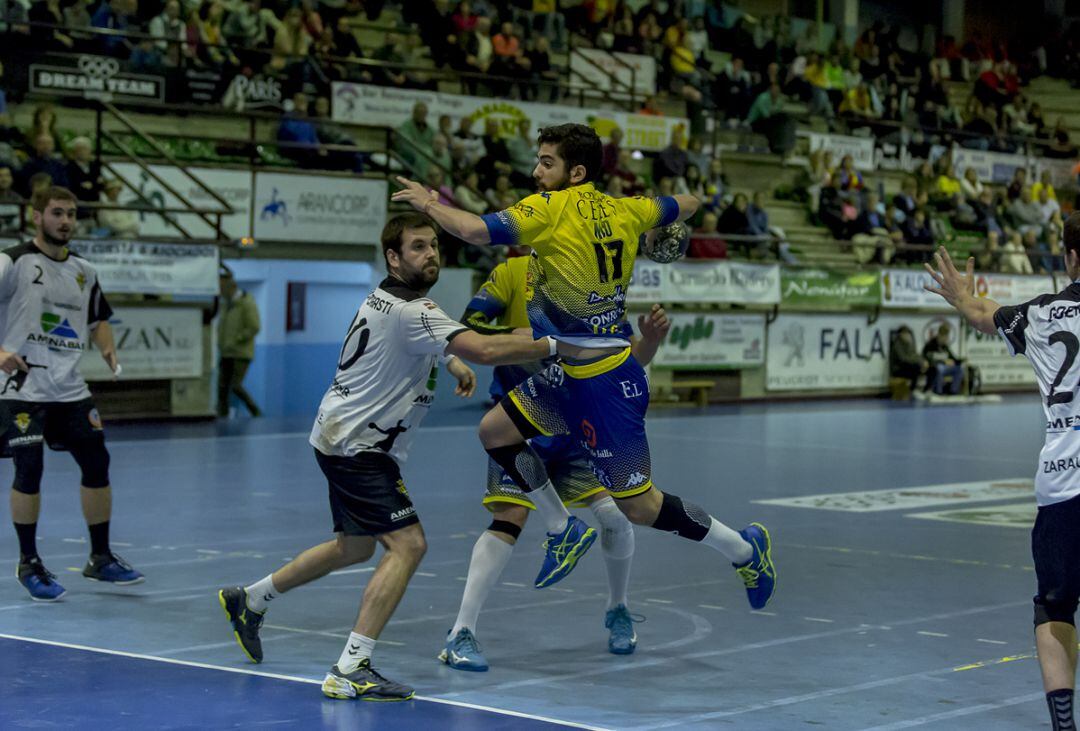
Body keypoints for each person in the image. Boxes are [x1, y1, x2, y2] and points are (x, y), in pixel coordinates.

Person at [391, 124, 776, 609]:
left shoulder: (550, 209)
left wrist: (427, 201)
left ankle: (743, 549)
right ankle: (562, 527)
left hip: (606, 381)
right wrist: (664, 228)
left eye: (546, 162)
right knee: (495, 431)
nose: (536, 171)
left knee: (640, 507)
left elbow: (471, 230)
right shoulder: (629, 208)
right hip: (563, 372)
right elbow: (691, 200)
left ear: (575, 172)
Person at [217, 213, 559, 701]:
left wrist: (450, 359)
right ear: (393, 258)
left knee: (354, 547)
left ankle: (250, 599)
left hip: (338, 436)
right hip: (361, 447)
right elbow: (484, 348)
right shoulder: (414, 311)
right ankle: (351, 666)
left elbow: (436, 340)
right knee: (409, 545)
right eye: (418, 247)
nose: (431, 254)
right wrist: (552, 342)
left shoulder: (395, 300)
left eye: (434, 245)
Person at [441, 255, 671, 670]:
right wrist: (525, 338)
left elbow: (628, 360)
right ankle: (461, 632)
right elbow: (469, 327)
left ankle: (617, 608)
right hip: (519, 420)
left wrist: (650, 341)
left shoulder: (593, 282)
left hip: (577, 422)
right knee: (507, 519)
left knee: (616, 516)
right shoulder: (511, 273)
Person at [924, 227, 1080, 731]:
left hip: (1063, 483)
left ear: (1071, 257)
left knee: (1055, 607)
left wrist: (963, 295)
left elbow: (981, 314)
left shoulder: (1038, 314)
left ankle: (1063, 725)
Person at [0, 186, 143, 602]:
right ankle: (29, 562)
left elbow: (98, 317)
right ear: (36, 216)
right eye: (57, 213)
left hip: (69, 388)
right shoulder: (14, 261)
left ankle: (100, 557)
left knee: (97, 462)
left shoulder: (85, 270)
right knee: (29, 469)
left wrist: (107, 346)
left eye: (71, 214)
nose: (65, 220)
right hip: (21, 389)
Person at [217, 270, 261, 418]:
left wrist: (237, 339)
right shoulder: (225, 304)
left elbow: (254, 326)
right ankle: (221, 416)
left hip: (241, 353)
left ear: (231, 287)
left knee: (235, 385)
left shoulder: (246, 303)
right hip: (226, 351)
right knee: (222, 387)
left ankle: (255, 412)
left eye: (222, 288)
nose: (220, 291)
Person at [921, 322, 964, 395]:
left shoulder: (945, 347)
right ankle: (938, 391)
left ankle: (953, 391)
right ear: (940, 335)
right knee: (939, 368)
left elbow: (953, 358)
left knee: (959, 369)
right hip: (934, 368)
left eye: (947, 336)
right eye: (945, 337)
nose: (946, 339)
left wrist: (961, 361)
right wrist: (943, 362)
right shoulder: (930, 345)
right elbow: (926, 358)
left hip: (945, 368)